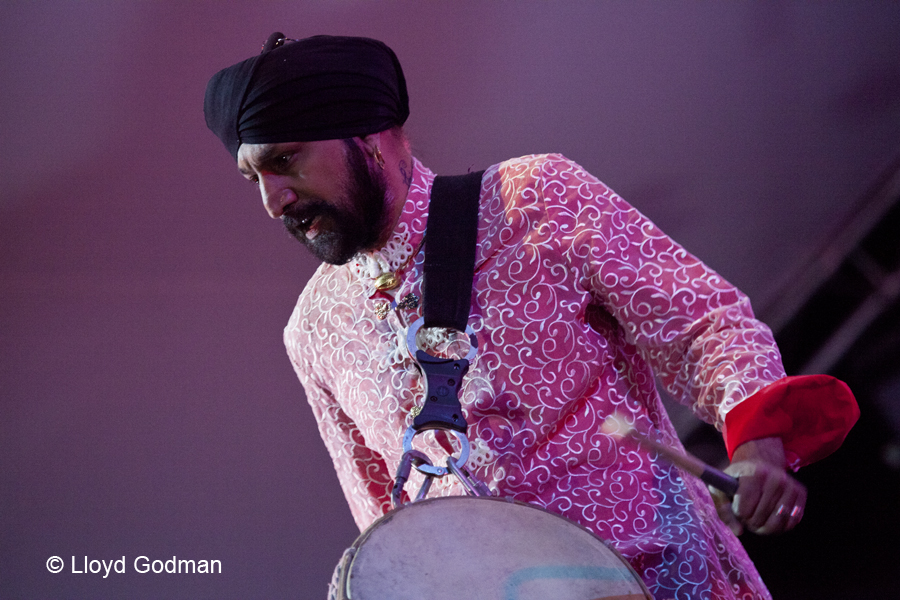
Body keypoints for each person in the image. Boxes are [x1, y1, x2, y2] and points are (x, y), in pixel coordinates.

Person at [204, 34, 859, 599]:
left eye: (284, 161)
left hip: (665, 579)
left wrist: (758, 451)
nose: (273, 200)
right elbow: (387, 521)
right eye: (253, 179)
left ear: (368, 137)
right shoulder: (314, 330)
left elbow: (699, 322)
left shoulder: (533, 198)